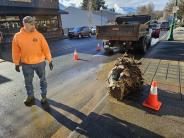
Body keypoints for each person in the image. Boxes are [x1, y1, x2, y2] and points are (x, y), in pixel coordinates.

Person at [12, 16, 53, 105]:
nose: (33, 26)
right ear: (25, 24)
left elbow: (46, 48)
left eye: (34, 24)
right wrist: (16, 63)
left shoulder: (39, 35)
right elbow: (15, 51)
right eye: (31, 24)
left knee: (43, 80)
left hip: (40, 63)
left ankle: (44, 96)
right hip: (26, 64)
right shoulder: (18, 36)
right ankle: (30, 96)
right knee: (28, 82)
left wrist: (49, 60)